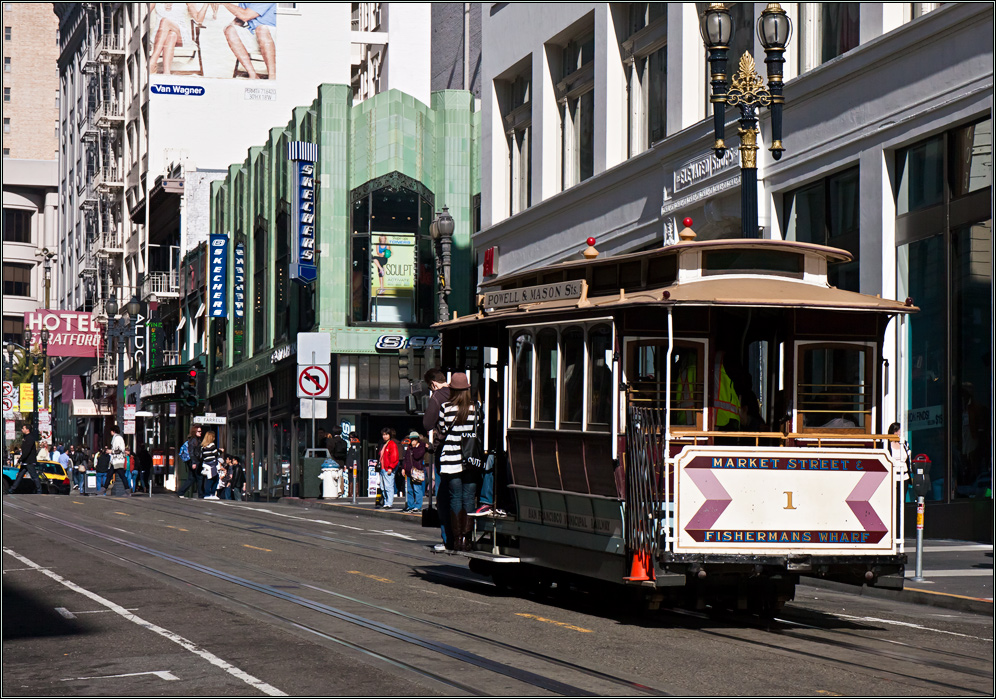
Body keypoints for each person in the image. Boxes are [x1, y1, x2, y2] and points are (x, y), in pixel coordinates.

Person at [437, 373, 479, 551]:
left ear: (452, 390)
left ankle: (457, 539)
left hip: (451, 459)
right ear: (467, 389)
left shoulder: (445, 408)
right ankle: (467, 539)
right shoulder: (476, 407)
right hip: (469, 459)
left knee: (455, 497)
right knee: (469, 498)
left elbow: (442, 429)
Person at [423, 368, 451, 551]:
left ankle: (447, 538)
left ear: (433, 384)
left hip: (446, 451)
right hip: (469, 452)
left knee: (443, 495)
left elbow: (427, 423)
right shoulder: (463, 393)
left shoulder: (437, 397)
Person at [149, 3, 208, 75]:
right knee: (171, 35)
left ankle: (152, 62)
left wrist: (207, 4)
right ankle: (166, 73)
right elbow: (144, 13)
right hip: (160, 34)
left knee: (165, 21)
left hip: (180, 33)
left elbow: (199, 19)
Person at [222, 3, 277, 80]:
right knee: (230, 30)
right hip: (256, 33)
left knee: (261, 29)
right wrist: (228, 29)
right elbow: (240, 20)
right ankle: (253, 75)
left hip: (275, 35)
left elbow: (246, 16)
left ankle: (272, 76)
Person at [100, 425, 134, 496]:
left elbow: (119, 450)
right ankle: (104, 489)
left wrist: (110, 451)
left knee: (119, 476)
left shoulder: (117, 438)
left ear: (113, 431)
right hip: (115, 461)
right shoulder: (116, 438)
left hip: (117, 460)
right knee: (111, 475)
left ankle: (104, 489)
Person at [9, 425, 41, 494]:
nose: (22, 430)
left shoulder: (30, 438)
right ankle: (12, 489)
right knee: (20, 476)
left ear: (27, 429)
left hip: (29, 461)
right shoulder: (25, 437)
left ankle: (39, 490)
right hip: (25, 461)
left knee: (34, 476)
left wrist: (21, 458)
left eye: (23, 428)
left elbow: (27, 450)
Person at [401, 431, 427, 514]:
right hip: (408, 471)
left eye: (415, 439)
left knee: (417, 489)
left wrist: (415, 447)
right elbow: (405, 459)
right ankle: (410, 505)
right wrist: (403, 468)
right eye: (412, 439)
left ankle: (418, 506)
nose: (413, 441)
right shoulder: (409, 448)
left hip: (417, 471)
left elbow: (417, 456)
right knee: (409, 490)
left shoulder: (421, 447)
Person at [177, 425, 204, 498]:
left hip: (192, 461)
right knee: (199, 477)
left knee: (191, 478)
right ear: (194, 431)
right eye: (198, 431)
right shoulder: (194, 441)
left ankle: (181, 492)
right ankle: (201, 495)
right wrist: (194, 462)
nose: (200, 433)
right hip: (194, 461)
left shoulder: (194, 440)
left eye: (201, 431)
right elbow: (192, 452)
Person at [377, 427, 399, 510]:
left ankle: (389, 502)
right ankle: (386, 502)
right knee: (383, 487)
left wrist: (391, 467)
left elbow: (394, 457)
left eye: (386, 434)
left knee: (388, 486)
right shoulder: (383, 444)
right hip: (383, 468)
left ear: (390, 435)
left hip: (388, 468)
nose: (384, 436)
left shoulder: (392, 444)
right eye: (383, 435)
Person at [201, 430, 220, 499]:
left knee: (208, 479)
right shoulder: (212, 446)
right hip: (212, 464)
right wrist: (220, 451)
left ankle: (208, 494)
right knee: (215, 479)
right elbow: (216, 454)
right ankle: (210, 493)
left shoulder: (203, 447)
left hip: (206, 464)